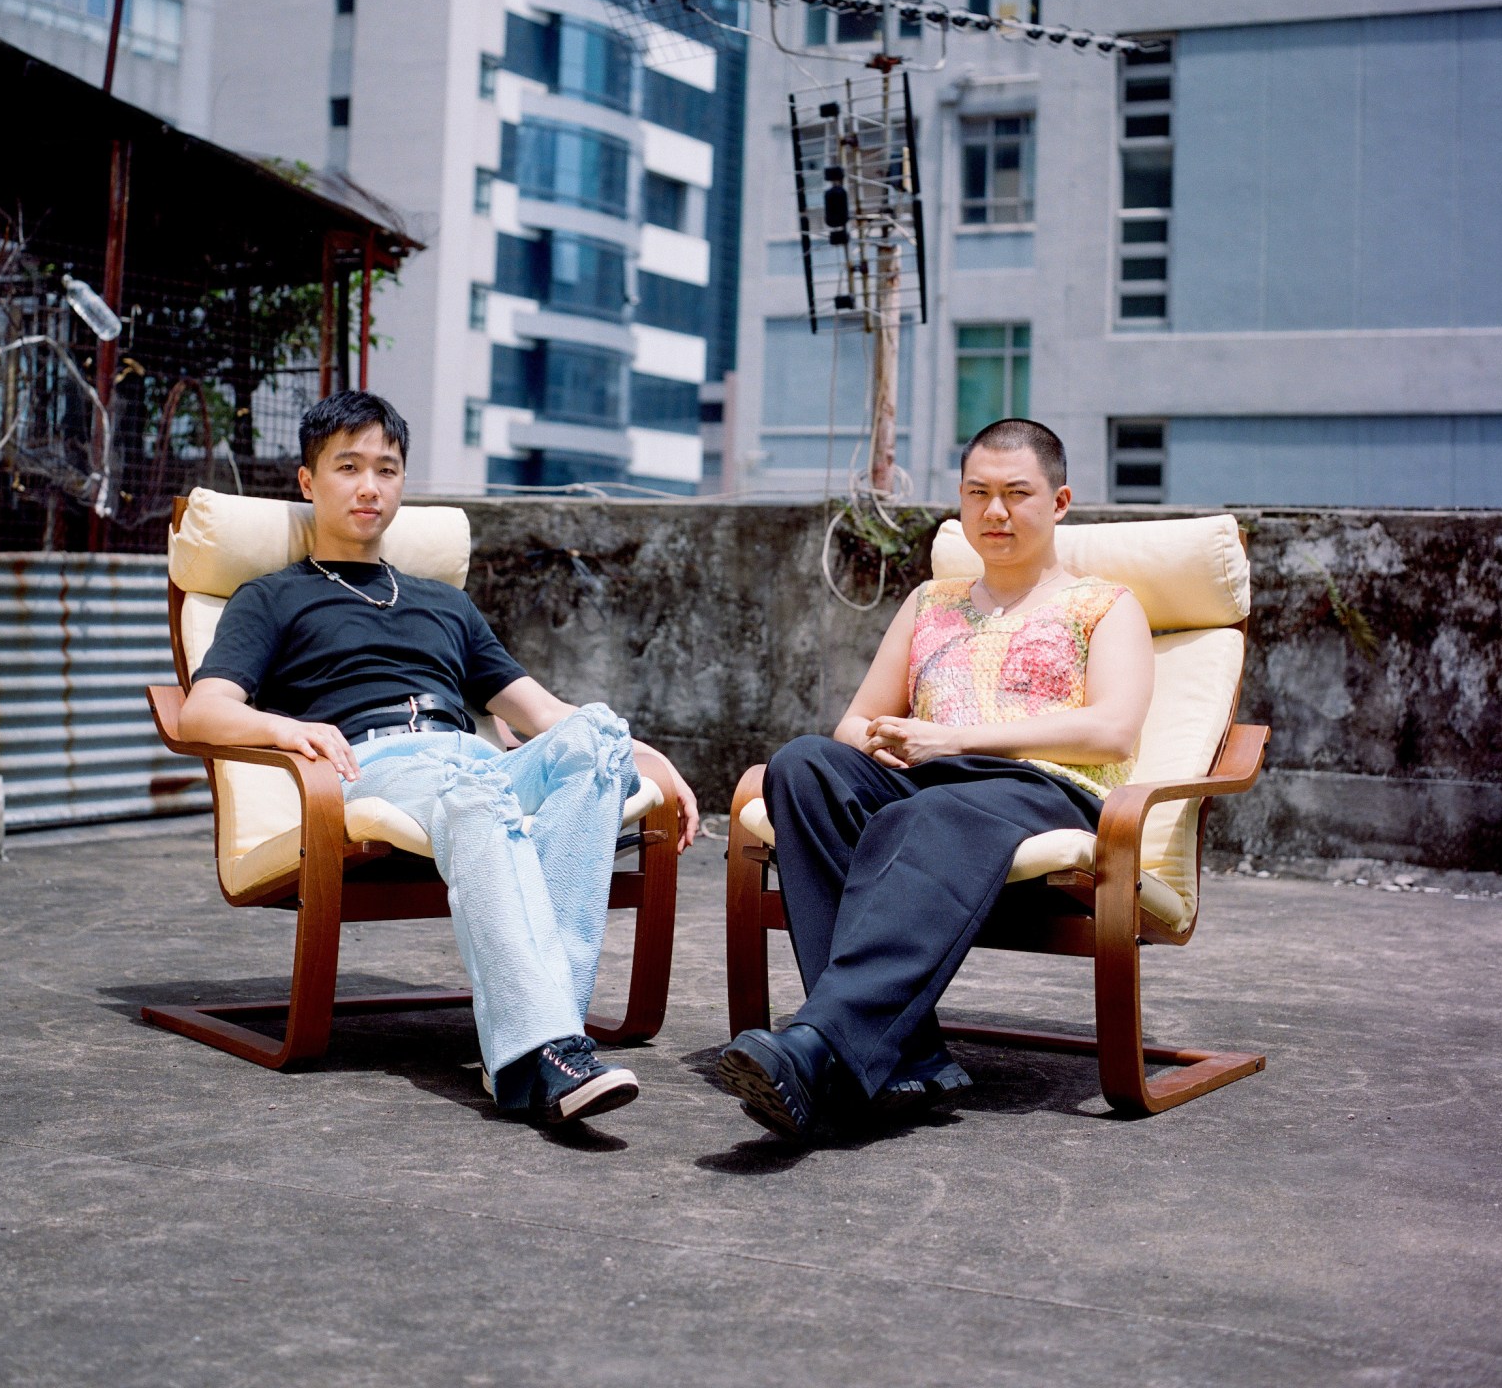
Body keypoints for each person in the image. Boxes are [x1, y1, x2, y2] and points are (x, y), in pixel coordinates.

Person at [178, 389, 700, 1128]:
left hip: (472, 758)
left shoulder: (444, 604)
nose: (368, 486)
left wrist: (646, 757)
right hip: (378, 764)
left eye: (386, 470)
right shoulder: (272, 597)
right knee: (474, 790)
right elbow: (203, 710)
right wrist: (286, 729)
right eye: (347, 467)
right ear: (307, 482)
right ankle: (547, 1046)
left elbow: (548, 717)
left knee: (596, 736)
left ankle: (532, 1046)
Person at [717, 418, 1154, 1141]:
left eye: (1017, 494)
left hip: (1040, 790)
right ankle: (899, 1057)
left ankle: (817, 1043)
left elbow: (1110, 731)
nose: (995, 512)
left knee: (927, 813)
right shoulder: (929, 602)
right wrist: (888, 744)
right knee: (802, 766)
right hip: (929, 781)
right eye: (977, 493)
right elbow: (855, 724)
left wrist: (955, 739)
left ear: (1061, 501)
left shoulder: (1104, 606)